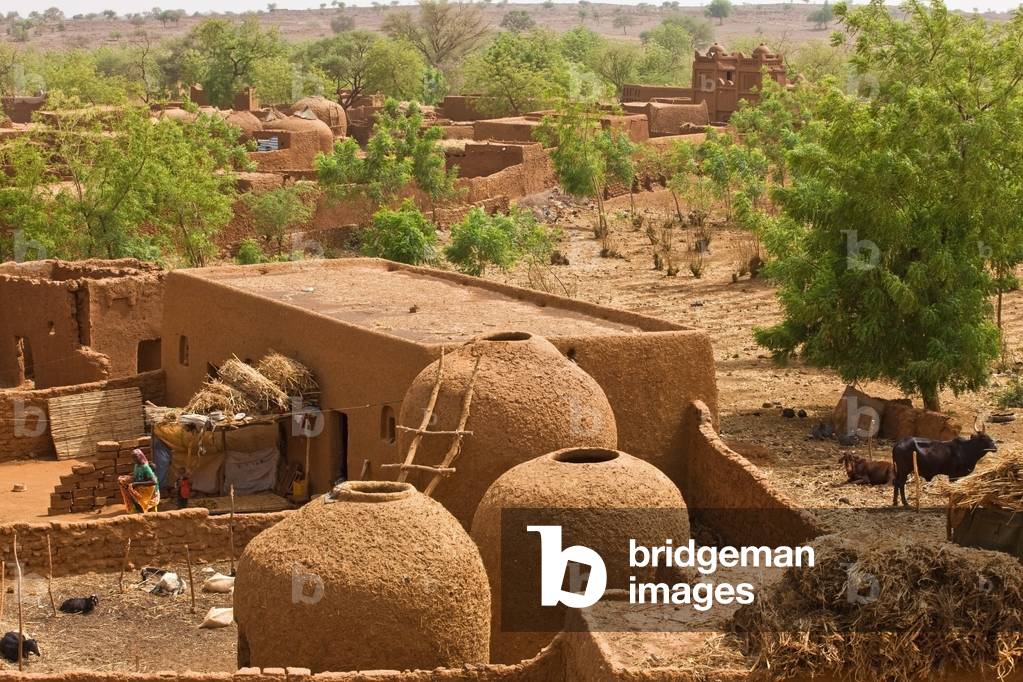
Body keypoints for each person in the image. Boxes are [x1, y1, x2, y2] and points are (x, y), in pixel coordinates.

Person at [118, 449, 161, 513]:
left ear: (140, 456)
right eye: (133, 457)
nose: (134, 459)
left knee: (150, 510)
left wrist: (136, 484)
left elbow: (154, 482)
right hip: (141, 487)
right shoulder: (137, 465)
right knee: (124, 484)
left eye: (136, 457)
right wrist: (127, 477)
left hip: (150, 491)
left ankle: (143, 511)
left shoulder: (145, 467)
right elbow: (137, 476)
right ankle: (138, 510)